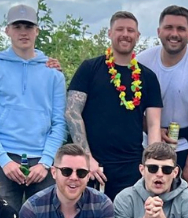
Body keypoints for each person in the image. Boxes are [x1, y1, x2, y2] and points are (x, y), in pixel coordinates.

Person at [0, 4, 67, 211]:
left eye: (28, 26)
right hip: (5, 160)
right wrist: (4, 161)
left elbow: (60, 123)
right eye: (17, 27)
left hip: (43, 162)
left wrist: (46, 161)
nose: (23, 32)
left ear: (37, 30)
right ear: (7, 30)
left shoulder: (53, 73)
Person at [66, 11, 162, 199]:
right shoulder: (90, 68)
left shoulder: (148, 77)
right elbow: (72, 112)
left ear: (138, 36)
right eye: (120, 29)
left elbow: (154, 124)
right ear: (110, 33)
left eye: (130, 30)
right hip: (94, 167)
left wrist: (152, 164)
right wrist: (87, 158)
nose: (125, 34)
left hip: (132, 167)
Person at [138, 5, 188, 196]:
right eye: (169, 28)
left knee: (187, 202)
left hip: (186, 146)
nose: (174, 34)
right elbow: (131, 108)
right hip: (146, 143)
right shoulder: (142, 62)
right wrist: (151, 128)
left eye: (181, 29)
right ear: (159, 31)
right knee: (144, 201)